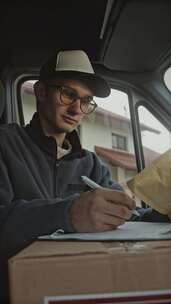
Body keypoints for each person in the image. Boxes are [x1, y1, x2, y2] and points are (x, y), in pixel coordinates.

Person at [0, 50, 170, 302]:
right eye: (69, 94)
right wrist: (67, 214)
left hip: (81, 282)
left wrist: (162, 214)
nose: (77, 109)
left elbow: (128, 214)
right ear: (41, 91)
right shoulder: (5, 143)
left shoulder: (90, 163)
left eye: (86, 101)